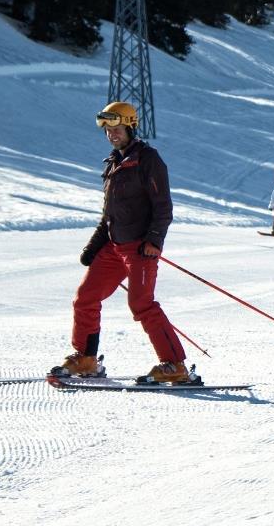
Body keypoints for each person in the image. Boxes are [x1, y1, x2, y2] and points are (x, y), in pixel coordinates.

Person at [51, 102, 192, 384]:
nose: (111, 134)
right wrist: (94, 246)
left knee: (141, 304)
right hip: (114, 246)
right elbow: (109, 214)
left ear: (130, 126)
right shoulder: (113, 163)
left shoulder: (148, 159)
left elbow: (163, 206)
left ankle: (174, 365)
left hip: (140, 247)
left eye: (116, 128)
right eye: (107, 129)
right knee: (85, 298)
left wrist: (154, 240)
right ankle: (86, 359)